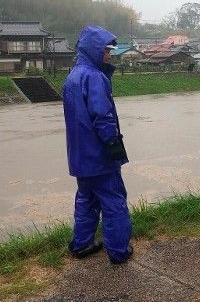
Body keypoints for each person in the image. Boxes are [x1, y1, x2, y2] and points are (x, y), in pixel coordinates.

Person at [63, 25, 133, 264]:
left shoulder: (72, 76)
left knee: (86, 199)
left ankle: (82, 244)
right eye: (106, 51)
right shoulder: (95, 77)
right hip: (100, 157)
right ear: (94, 50)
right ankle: (119, 251)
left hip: (79, 156)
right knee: (114, 202)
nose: (109, 55)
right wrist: (114, 146)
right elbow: (103, 117)